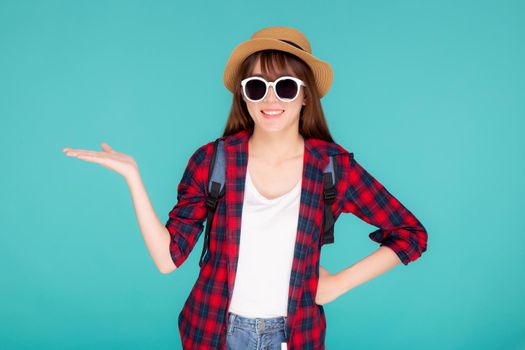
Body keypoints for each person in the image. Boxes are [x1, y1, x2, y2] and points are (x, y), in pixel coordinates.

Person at [63, 26, 428, 350]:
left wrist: (338, 284)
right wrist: (133, 176)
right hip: (214, 331)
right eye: (257, 87)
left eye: (285, 87)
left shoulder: (332, 167)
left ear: (305, 97)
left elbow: (411, 234)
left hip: (295, 335)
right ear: (244, 96)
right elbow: (167, 259)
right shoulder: (213, 161)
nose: (271, 100)